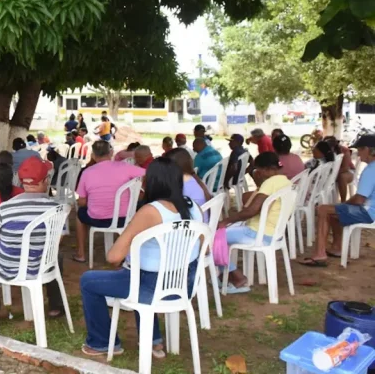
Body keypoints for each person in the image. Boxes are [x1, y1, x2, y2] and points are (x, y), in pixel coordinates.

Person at [79, 157, 204, 357]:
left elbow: (113, 257)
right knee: (136, 272)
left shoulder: (150, 211)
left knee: (89, 281)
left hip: (150, 287)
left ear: (152, 182)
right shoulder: (194, 208)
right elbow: (203, 249)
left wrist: (134, 240)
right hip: (183, 286)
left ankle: (101, 342)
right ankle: (154, 341)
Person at [0, 156, 65, 321]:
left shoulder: (5, 208)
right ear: (46, 180)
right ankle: (55, 306)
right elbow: (58, 241)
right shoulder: (56, 208)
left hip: (9, 267)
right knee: (58, 256)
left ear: (21, 181)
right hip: (42, 267)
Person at [218, 152, 290, 292]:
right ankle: (224, 276)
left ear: (267, 169)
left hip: (257, 233)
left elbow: (250, 211)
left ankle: (238, 278)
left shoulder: (270, 183)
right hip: (274, 233)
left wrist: (225, 221)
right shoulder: (286, 181)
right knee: (224, 233)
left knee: (215, 237)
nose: (257, 173)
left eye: (258, 170)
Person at [300, 135, 375, 267]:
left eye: (359, 150)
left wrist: (342, 205)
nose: (357, 154)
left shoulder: (370, 170)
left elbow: (358, 200)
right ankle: (337, 247)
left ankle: (319, 255)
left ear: (368, 150)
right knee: (333, 211)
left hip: (368, 212)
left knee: (324, 209)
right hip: (369, 209)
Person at [72, 141, 146, 263]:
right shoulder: (125, 167)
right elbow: (147, 173)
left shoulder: (87, 172)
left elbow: (82, 202)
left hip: (97, 219)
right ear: (111, 153)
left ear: (93, 156)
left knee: (80, 215)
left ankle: (81, 254)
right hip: (125, 218)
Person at [325, 136, 355, 201]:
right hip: (334, 171)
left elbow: (345, 168)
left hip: (348, 171)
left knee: (342, 177)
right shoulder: (325, 151)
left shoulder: (344, 150)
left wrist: (333, 173)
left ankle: (343, 201)